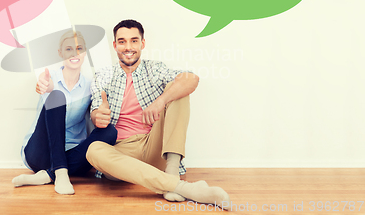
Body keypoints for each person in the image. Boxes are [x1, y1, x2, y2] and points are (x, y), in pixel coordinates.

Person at [86, 20, 231, 209]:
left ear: (142, 44)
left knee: (178, 88)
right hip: (122, 153)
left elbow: (191, 79)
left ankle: (172, 171)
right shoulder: (103, 75)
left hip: (153, 145)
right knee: (93, 150)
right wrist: (98, 116)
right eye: (122, 42)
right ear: (115, 45)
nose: (128, 47)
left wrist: (160, 101)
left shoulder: (154, 69)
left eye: (134, 41)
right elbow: (96, 110)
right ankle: (185, 188)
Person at [12, 30, 117, 195]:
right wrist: (45, 87)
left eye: (79, 48)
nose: (74, 53)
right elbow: (44, 84)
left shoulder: (90, 86)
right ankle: (60, 172)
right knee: (57, 96)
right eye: (68, 49)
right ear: (60, 53)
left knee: (110, 132)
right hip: (40, 153)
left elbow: (96, 114)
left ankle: (48, 175)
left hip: (72, 154)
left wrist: (101, 113)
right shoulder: (49, 78)